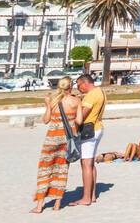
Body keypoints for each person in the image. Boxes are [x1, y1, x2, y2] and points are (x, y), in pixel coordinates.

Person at [31, 77, 82, 214]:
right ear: (70, 86)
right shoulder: (76, 101)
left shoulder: (52, 100)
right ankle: (57, 204)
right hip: (67, 140)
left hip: (52, 139)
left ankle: (39, 206)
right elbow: (79, 120)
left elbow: (46, 120)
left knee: (45, 170)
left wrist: (48, 106)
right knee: (62, 170)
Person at [74, 74, 107, 206]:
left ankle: (86, 197)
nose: (78, 88)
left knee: (86, 164)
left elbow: (82, 116)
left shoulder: (91, 95)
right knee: (91, 163)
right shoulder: (100, 92)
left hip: (89, 131)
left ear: (85, 83)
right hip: (97, 127)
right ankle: (92, 195)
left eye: (78, 85)